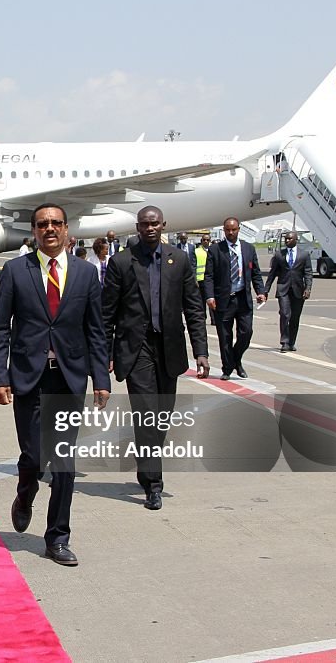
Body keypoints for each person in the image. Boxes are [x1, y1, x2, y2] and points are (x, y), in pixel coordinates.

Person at [0, 203, 110, 567]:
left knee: (63, 462)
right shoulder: (14, 271)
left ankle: (57, 537)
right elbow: (1, 331)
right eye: (43, 224)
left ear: (67, 229)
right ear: (34, 231)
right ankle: (25, 492)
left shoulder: (87, 274)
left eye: (56, 223)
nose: (50, 229)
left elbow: (96, 330)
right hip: (28, 377)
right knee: (32, 455)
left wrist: (100, 379)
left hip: (68, 378)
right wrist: (0, 377)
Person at [102, 206, 210, 511]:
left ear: (163, 225)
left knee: (162, 416)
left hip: (169, 348)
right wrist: (106, 353)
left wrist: (200, 351)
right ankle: (153, 483)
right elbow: (106, 313)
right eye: (144, 224)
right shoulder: (122, 262)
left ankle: (146, 463)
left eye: (154, 224)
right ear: (137, 227)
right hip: (136, 350)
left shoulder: (179, 260)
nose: (149, 229)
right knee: (147, 412)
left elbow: (193, 309)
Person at [204, 217, 266, 380]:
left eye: (233, 229)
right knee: (225, 336)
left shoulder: (248, 249)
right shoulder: (215, 250)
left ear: (239, 229)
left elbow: (256, 273)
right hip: (223, 300)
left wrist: (261, 291)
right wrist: (209, 296)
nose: (230, 232)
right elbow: (208, 276)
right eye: (227, 230)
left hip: (243, 298)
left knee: (246, 333)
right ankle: (227, 368)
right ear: (224, 230)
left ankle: (235, 360)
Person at [265, 231, 313, 352]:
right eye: (286, 239)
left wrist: (308, 288)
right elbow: (272, 274)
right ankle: (284, 342)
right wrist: (265, 290)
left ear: (296, 240)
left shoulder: (304, 255)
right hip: (283, 289)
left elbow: (308, 273)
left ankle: (292, 342)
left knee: (295, 317)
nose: (287, 241)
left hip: (298, 289)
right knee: (285, 314)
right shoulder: (279, 255)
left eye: (289, 239)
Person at [193, 233, 215, 326]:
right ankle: (202, 319)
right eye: (204, 240)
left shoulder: (213, 251)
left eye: (207, 240)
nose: (206, 241)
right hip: (200, 280)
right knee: (200, 302)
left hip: (210, 281)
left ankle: (214, 320)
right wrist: (194, 279)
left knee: (211, 300)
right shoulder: (196, 251)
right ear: (201, 241)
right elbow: (193, 266)